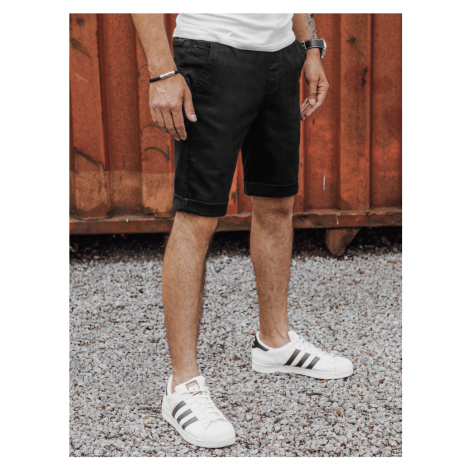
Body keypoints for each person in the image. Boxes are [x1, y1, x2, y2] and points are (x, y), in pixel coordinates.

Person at [132, 13, 353, 449]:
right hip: (211, 54)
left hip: (281, 56)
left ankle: (275, 343)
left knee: (277, 201)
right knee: (197, 216)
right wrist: (161, 72)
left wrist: (309, 47)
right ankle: (182, 385)